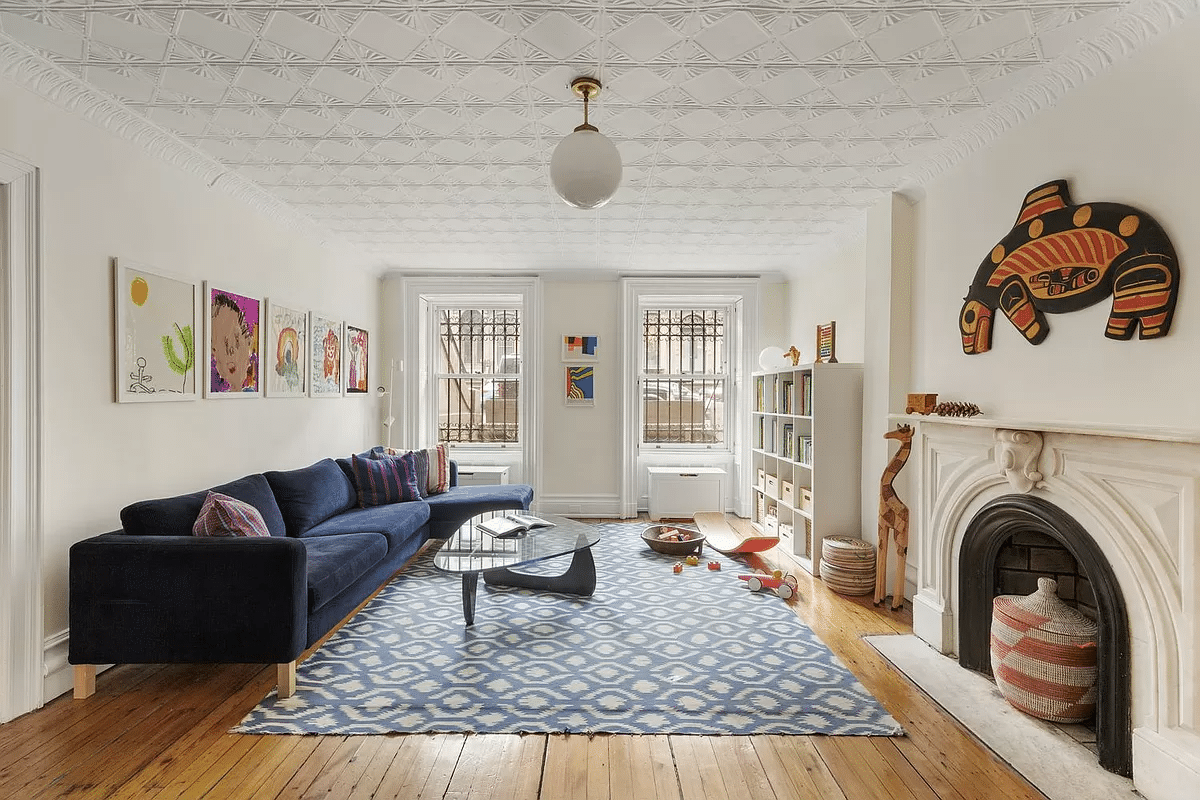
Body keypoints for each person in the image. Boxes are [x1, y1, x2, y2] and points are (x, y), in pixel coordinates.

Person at [210, 293, 257, 392]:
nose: (231, 353)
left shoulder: (251, 393)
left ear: (248, 341)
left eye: (236, 343)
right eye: (223, 346)